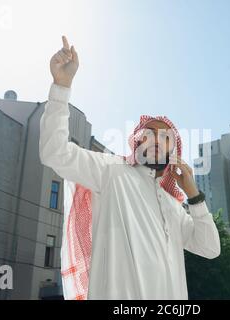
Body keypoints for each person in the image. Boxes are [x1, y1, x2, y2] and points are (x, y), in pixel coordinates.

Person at [39, 35, 220, 300]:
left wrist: (194, 195)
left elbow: (210, 247)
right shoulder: (112, 172)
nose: (157, 139)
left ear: (174, 152)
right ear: (137, 141)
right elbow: (55, 152)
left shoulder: (172, 207)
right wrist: (61, 87)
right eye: (150, 134)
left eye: (165, 137)